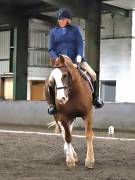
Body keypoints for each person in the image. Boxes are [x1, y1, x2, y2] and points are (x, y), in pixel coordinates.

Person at [48, 8, 104, 114]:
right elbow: (51, 49)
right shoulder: (53, 32)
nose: (60, 21)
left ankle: (95, 99)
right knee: (51, 81)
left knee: (93, 74)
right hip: (61, 63)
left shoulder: (75, 30)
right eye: (59, 19)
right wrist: (56, 59)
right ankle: (53, 105)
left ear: (68, 20)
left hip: (76, 59)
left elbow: (80, 44)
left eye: (62, 19)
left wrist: (79, 56)